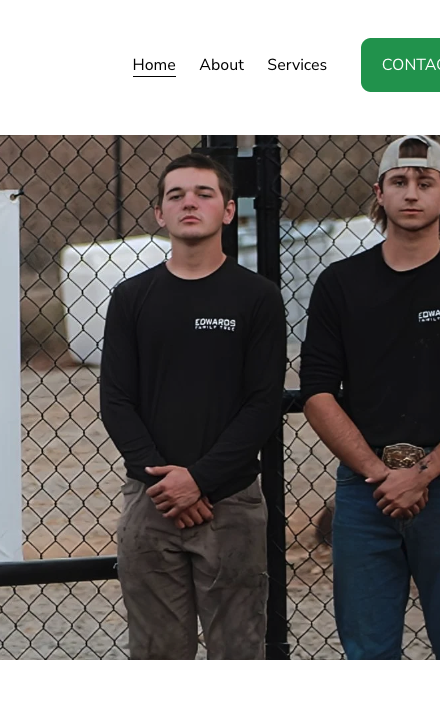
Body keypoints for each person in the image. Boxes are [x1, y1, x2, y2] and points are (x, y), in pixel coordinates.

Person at [300, 135, 440, 660]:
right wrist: (378, 472)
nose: (411, 193)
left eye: (425, 183)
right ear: (379, 193)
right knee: (368, 651)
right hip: (364, 492)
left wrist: (425, 472)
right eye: (399, 182)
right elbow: (317, 393)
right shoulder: (341, 283)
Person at [99, 152, 286, 659]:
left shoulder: (258, 298)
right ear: (159, 213)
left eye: (204, 194)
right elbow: (115, 400)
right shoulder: (132, 297)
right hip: (151, 502)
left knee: (239, 654)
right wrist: (166, 484)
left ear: (228, 211)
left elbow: (263, 403)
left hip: (231, 504)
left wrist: (199, 479)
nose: (189, 203)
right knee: (158, 656)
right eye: (175, 195)